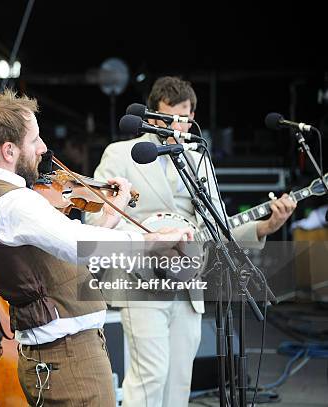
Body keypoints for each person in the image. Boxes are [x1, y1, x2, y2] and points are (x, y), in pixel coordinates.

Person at [0, 90, 192, 406]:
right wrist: (154, 239)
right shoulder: (12, 202)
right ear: (8, 151)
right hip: (69, 359)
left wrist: (108, 217)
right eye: (35, 140)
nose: (43, 149)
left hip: (57, 356)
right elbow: (79, 245)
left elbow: (63, 245)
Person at [87, 76, 297, 407]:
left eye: (184, 118)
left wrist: (266, 225)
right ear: (153, 116)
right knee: (150, 375)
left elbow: (217, 226)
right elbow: (96, 220)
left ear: (193, 115)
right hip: (142, 280)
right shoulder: (122, 154)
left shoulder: (197, 158)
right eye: (170, 118)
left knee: (179, 379)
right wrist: (150, 238)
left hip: (188, 282)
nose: (178, 126)